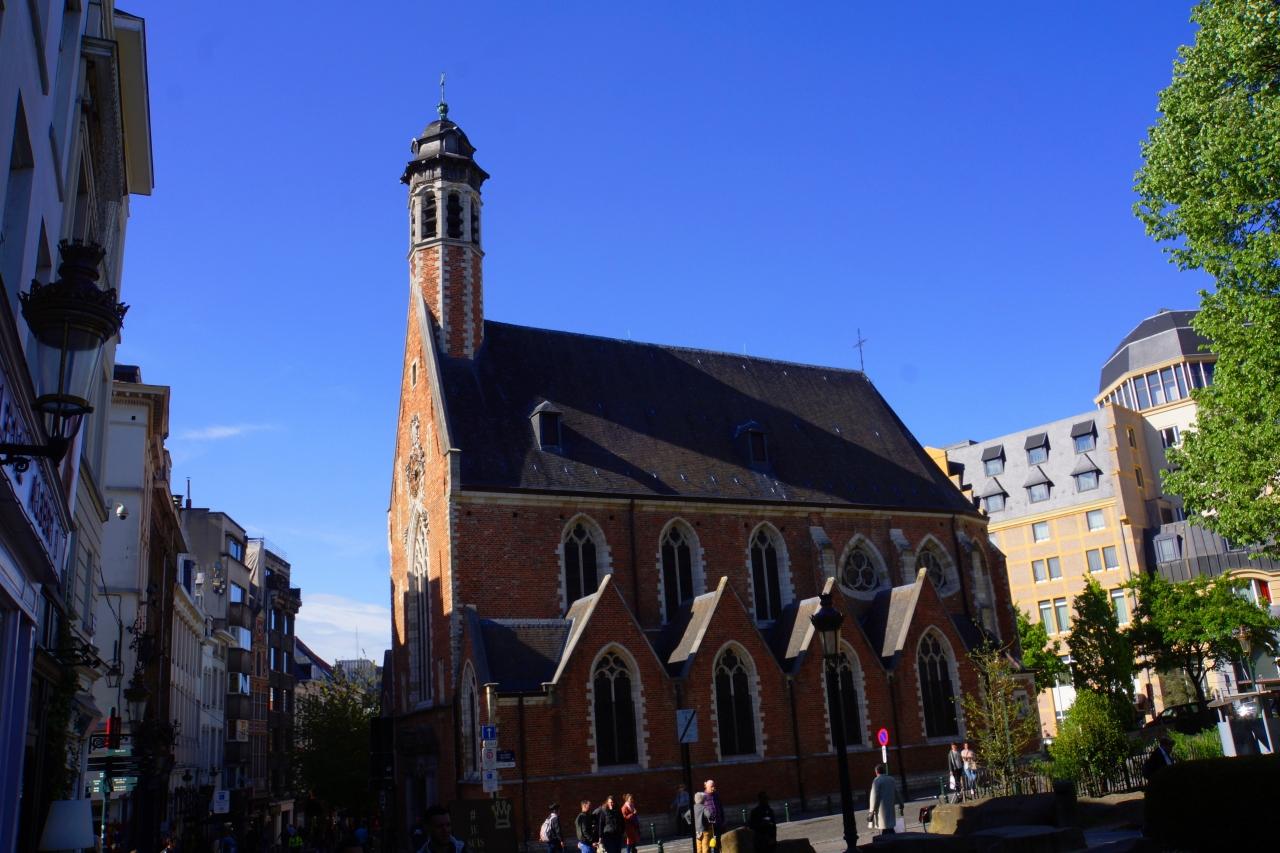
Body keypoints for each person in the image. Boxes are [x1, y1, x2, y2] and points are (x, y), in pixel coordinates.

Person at [868, 764, 900, 836]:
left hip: (881, 808)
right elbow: (896, 791)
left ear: (876, 772)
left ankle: (889, 841)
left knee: (885, 828)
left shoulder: (877, 780)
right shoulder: (891, 779)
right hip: (890, 806)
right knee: (890, 827)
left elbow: (874, 797)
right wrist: (901, 803)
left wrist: (872, 811)